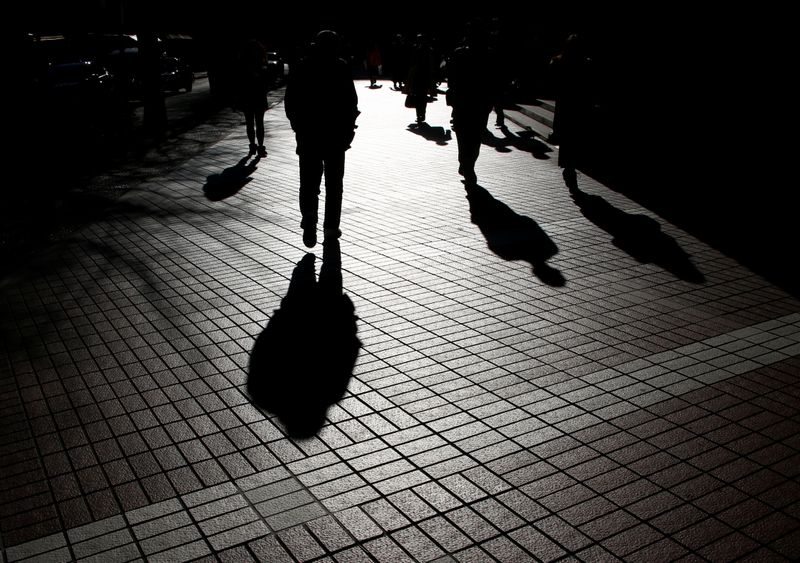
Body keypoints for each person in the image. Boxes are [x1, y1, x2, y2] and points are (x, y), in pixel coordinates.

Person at [284, 30, 360, 248]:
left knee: (309, 183)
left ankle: (309, 214)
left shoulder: (302, 66)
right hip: (335, 134)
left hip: (308, 134)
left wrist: (298, 126)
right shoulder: (340, 67)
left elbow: (291, 101)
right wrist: (349, 128)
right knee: (334, 184)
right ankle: (330, 227)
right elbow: (350, 101)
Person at [446, 21, 495, 184]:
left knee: (466, 136)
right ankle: (468, 164)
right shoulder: (484, 55)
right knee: (473, 137)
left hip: (467, 102)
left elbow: (451, 77)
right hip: (476, 103)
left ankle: (466, 164)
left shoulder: (464, 54)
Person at [549, 33, 594, 189]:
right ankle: (571, 168)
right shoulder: (585, 64)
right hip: (579, 105)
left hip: (565, 104)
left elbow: (552, 83)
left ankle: (569, 168)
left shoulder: (558, 62)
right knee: (576, 137)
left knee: (567, 137)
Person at [236, 38, 270, 157]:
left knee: (252, 123)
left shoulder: (243, 64)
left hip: (249, 96)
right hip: (256, 96)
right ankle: (258, 146)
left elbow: (239, 83)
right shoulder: (261, 63)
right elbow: (266, 82)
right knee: (257, 123)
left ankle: (254, 146)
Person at [404, 34, 436, 124]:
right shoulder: (428, 50)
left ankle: (419, 114)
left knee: (418, 96)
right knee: (422, 97)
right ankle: (421, 113)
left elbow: (411, 64)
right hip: (424, 77)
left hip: (418, 77)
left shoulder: (416, 50)